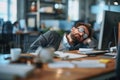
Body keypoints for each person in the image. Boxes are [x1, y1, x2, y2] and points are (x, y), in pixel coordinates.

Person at [28, 22, 97, 52]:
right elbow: (31, 50)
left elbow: (95, 50)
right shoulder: (52, 35)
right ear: (73, 29)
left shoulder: (78, 48)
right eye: (81, 30)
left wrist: (89, 40)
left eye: (84, 35)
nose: (81, 34)